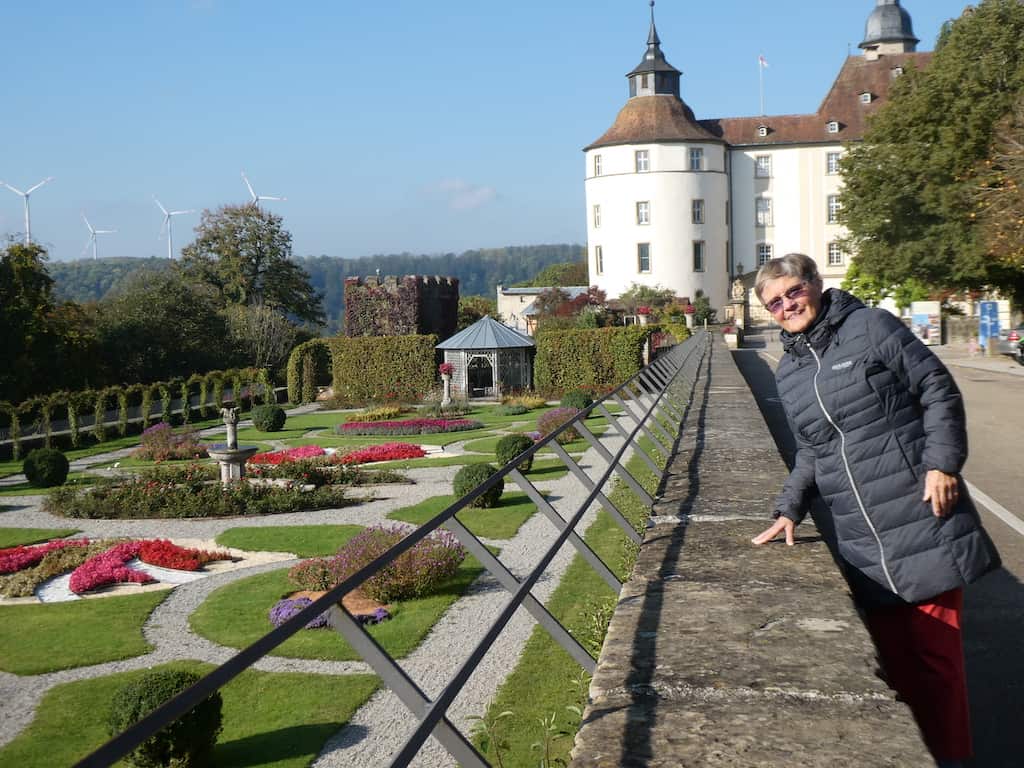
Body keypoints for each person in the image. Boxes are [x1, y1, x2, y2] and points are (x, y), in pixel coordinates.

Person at [750, 253, 1000, 768]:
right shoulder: (790, 371)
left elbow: (937, 389)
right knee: (894, 673)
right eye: (774, 303)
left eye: (793, 291)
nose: (787, 306)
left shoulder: (869, 326)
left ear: (815, 284)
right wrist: (789, 508)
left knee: (937, 667)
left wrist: (942, 463)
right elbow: (811, 451)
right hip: (861, 541)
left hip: (920, 518)